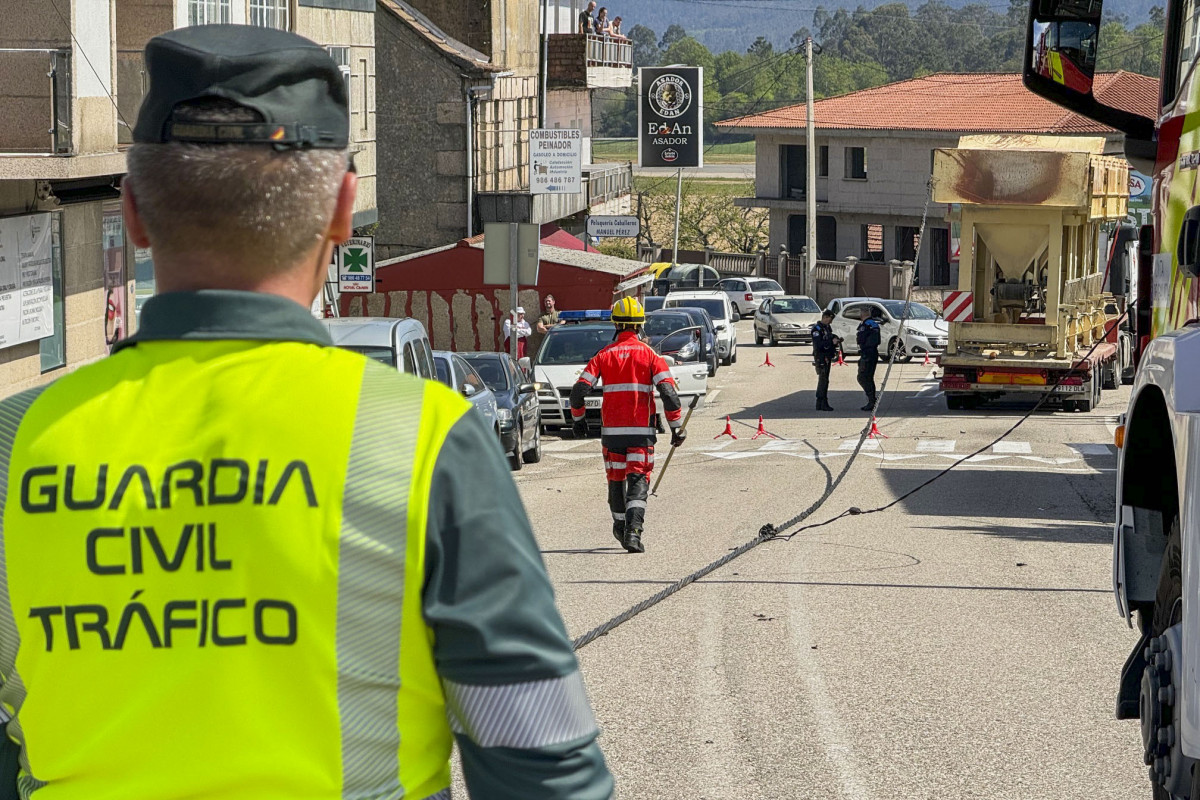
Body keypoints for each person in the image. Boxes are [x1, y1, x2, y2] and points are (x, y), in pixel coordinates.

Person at [0, 24, 612, 800]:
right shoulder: (423, 440)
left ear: (133, 212)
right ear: (342, 212)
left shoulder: (13, 444)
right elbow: (540, 762)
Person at [570, 297, 684, 554]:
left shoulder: (603, 356)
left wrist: (578, 421)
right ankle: (634, 532)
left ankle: (620, 528)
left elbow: (578, 393)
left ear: (616, 325)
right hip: (641, 433)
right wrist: (677, 427)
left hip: (611, 435)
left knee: (616, 480)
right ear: (640, 326)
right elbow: (669, 393)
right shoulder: (650, 356)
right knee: (638, 480)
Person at [810, 310, 841, 411]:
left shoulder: (827, 327)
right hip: (821, 356)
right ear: (825, 317)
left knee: (825, 380)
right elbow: (819, 344)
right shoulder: (817, 329)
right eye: (830, 319)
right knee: (823, 380)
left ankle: (821, 403)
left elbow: (829, 337)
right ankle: (822, 402)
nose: (830, 322)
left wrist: (835, 339)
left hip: (827, 355)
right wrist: (830, 341)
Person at [856, 305, 884, 411]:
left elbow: (872, 340)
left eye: (860, 313)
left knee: (863, 377)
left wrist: (866, 351)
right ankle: (871, 400)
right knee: (867, 377)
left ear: (863, 314)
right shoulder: (868, 324)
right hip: (867, 353)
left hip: (868, 354)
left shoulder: (869, 325)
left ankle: (872, 400)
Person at [529, 293, 560, 360]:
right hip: (546, 344)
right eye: (546, 301)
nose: (547, 302)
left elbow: (562, 324)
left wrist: (546, 326)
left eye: (549, 301)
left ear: (553, 302)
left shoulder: (559, 313)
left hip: (558, 342)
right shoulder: (541, 316)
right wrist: (551, 334)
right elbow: (540, 328)